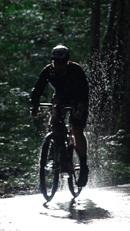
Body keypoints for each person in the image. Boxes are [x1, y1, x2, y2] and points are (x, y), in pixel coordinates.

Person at [30, 44, 90, 187]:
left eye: (62, 64)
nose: (59, 67)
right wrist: (34, 105)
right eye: (56, 63)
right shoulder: (48, 71)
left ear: (67, 63)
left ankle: (83, 165)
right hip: (61, 97)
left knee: (76, 129)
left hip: (78, 98)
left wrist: (80, 109)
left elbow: (84, 93)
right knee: (55, 116)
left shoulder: (76, 70)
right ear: (52, 62)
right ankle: (55, 150)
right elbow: (37, 89)